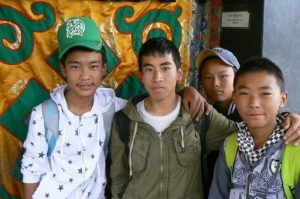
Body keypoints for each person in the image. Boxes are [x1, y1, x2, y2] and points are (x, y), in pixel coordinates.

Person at [20, 17, 207, 199]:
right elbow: (32, 169)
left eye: (93, 66)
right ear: (63, 68)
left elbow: (154, 102)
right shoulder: (44, 114)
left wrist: (186, 91)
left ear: (103, 68)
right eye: (75, 66)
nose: (85, 76)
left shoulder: (112, 107)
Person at [109, 37, 240, 199]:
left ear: (179, 74)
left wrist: (281, 121)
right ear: (141, 76)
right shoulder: (124, 119)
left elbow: (248, 135)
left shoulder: (199, 114)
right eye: (149, 69)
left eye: (165, 68)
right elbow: (118, 178)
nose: (158, 77)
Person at [196, 47, 300, 197]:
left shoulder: (295, 144)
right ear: (235, 96)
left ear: (282, 99)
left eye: (265, 93)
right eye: (244, 93)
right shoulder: (230, 146)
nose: (254, 103)